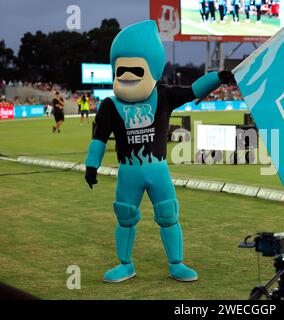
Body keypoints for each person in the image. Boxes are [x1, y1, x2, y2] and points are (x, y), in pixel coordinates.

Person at [84, 20, 235, 284]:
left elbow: (192, 91)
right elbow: (98, 139)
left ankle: (176, 263)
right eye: (122, 69)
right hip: (128, 172)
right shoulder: (109, 105)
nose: (128, 74)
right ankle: (125, 264)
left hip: (158, 170)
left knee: (168, 215)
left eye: (135, 68)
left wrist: (217, 78)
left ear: (151, 69)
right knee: (126, 217)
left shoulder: (163, 95)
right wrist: (91, 165)